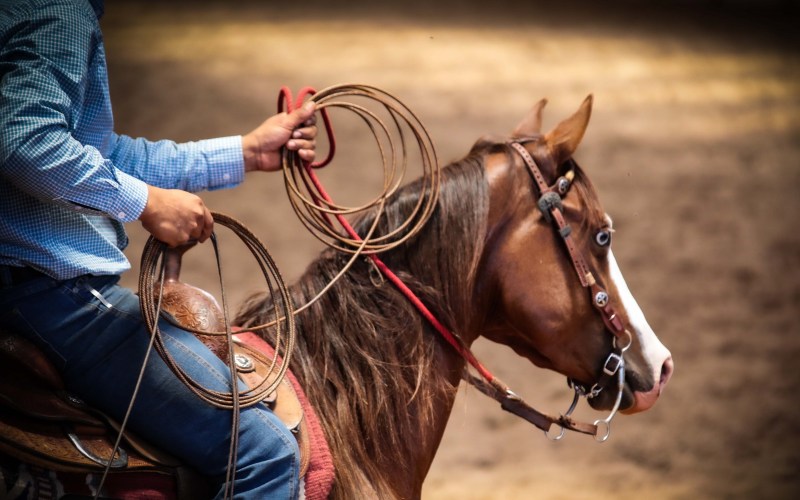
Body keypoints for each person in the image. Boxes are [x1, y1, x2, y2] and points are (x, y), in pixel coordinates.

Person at [0, 0, 317, 498]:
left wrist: (246, 152)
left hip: (27, 292)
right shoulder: (60, 10)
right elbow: (25, 143)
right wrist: (145, 202)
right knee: (266, 454)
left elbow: (99, 153)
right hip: (51, 299)